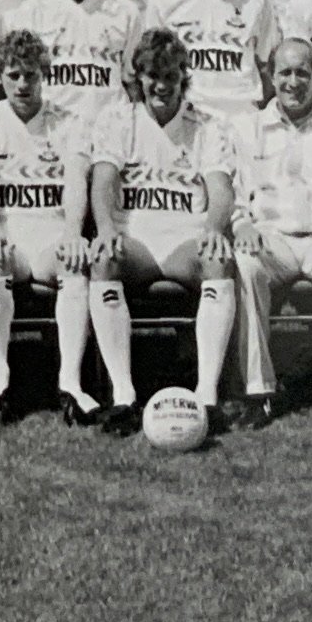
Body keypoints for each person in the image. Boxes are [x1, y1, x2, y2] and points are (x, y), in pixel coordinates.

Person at [69, 23, 241, 425]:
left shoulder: (207, 125)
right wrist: (106, 228)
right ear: (138, 77)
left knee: (219, 261)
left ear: (183, 76)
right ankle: (124, 396)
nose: (161, 86)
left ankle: (207, 396)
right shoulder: (118, 119)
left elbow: (220, 189)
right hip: (138, 240)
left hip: (185, 238)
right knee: (103, 259)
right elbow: (103, 179)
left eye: (170, 76)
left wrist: (215, 229)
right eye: (152, 76)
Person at [0, 23, 121, 427]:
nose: (22, 84)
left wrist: (72, 231)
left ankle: (71, 383)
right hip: (8, 231)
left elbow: (76, 182)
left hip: (50, 231)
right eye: (13, 75)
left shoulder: (69, 122)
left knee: (74, 261)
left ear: (44, 74)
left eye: (30, 74)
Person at [225, 35, 312, 420]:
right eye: (284, 72)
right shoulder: (249, 128)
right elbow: (236, 190)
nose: (293, 82)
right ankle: (258, 392)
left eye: (302, 73)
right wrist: (241, 224)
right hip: (272, 240)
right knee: (246, 267)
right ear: (270, 77)